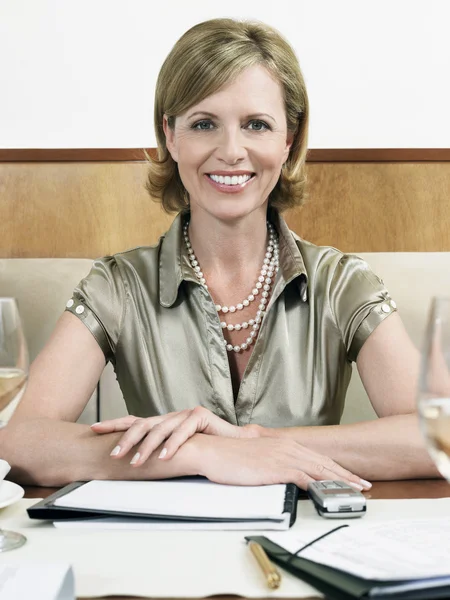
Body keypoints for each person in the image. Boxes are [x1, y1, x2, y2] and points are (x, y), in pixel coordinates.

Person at [2, 18, 438, 489]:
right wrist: (201, 451)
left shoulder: (341, 282)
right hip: (162, 552)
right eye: (204, 124)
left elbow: (439, 434)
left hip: (307, 543)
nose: (231, 151)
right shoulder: (118, 284)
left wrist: (252, 442)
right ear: (170, 136)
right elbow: (19, 442)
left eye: (257, 124)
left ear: (287, 140)